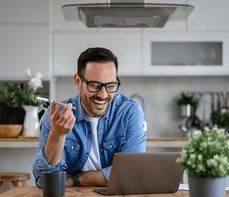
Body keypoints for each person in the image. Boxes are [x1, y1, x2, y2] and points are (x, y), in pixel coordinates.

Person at [33, 47, 146, 188]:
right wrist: (57, 135)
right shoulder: (56, 114)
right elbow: (45, 181)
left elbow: (132, 173)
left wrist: (77, 179)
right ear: (78, 81)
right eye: (95, 85)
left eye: (110, 85)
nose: (103, 95)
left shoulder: (129, 112)